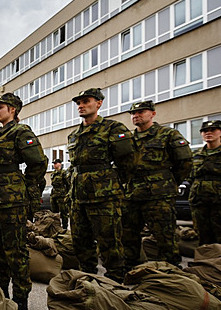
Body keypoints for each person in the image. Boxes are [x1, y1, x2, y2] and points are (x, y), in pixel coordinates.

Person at [0, 93, 47, 310]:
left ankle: (21, 300)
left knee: (15, 252)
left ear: (13, 109)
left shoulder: (21, 132)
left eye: (0, 107)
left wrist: (29, 191)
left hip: (12, 200)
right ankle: (0, 295)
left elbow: (38, 162)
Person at [67, 88, 135, 281]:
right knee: (81, 242)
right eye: (78, 103)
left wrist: (112, 186)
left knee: (109, 243)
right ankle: (87, 283)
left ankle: (115, 285)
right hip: (78, 197)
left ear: (99, 103)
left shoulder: (114, 129)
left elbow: (128, 163)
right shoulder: (74, 135)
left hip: (104, 197)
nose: (81, 105)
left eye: (86, 101)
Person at [121, 101, 192, 268]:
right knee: (128, 234)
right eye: (133, 113)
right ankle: (133, 268)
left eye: (141, 112)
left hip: (159, 195)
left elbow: (185, 163)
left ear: (152, 113)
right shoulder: (128, 140)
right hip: (132, 194)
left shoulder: (167, 134)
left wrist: (168, 183)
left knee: (164, 235)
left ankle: (172, 271)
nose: (136, 115)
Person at [50, 159, 69, 229]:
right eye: (53, 163)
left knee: (63, 213)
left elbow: (68, 184)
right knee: (54, 214)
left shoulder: (63, 173)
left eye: (56, 163)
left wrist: (67, 195)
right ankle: (56, 227)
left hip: (61, 195)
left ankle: (65, 227)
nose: (54, 165)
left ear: (60, 164)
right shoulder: (53, 173)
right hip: (54, 195)